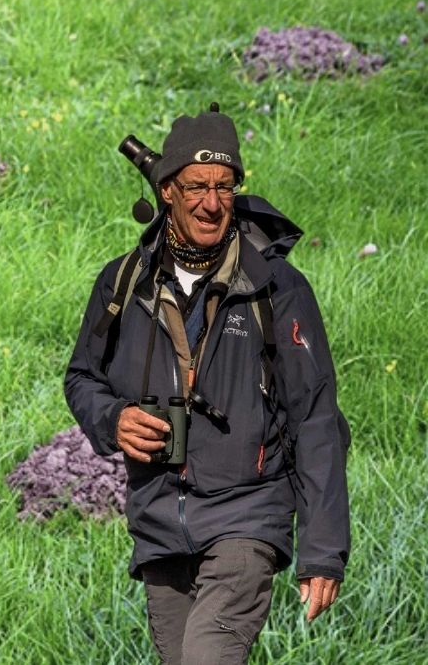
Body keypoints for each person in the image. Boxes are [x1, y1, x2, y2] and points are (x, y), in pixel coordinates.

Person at [64, 106, 351, 664]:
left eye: (224, 186)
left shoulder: (278, 289)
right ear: (167, 190)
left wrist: (323, 551)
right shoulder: (123, 282)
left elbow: (316, 416)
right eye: (196, 186)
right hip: (159, 525)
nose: (212, 203)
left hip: (249, 516)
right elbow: (82, 378)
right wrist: (113, 419)